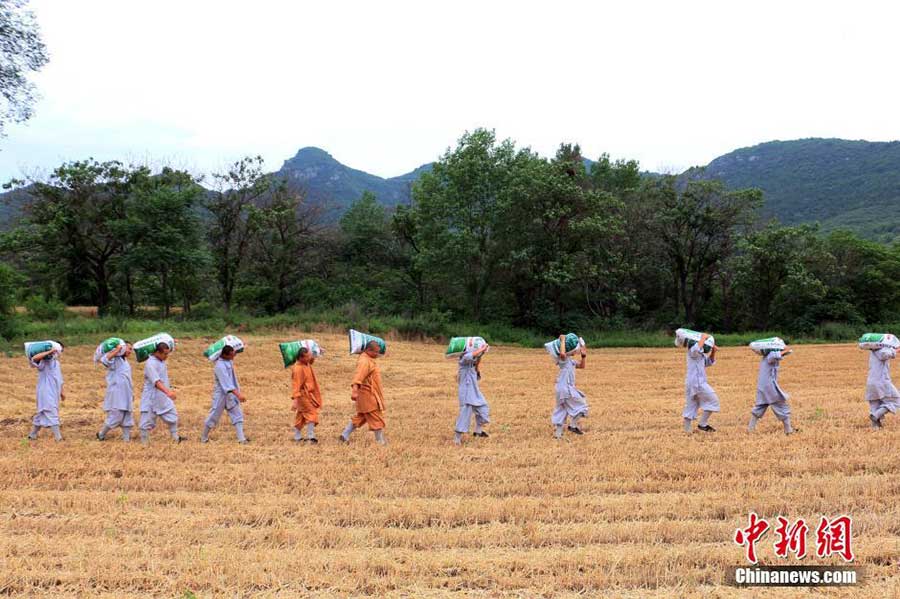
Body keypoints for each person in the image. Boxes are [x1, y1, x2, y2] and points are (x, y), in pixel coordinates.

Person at [340, 340, 387, 445]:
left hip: (368, 394)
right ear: (369, 350)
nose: (377, 354)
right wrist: (354, 390)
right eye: (375, 352)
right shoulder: (364, 361)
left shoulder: (367, 359)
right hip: (367, 395)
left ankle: (344, 435)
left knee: (362, 417)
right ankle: (381, 442)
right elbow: (358, 376)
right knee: (376, 416)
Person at [139, 341, 185, 444]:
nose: (167, 356)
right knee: (146, 423)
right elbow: (156, 381)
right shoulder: (150, 364)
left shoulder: (161, 360)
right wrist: (168, 392)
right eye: (165, 354)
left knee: (173, 417)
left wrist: (173, 341)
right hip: (151, 397)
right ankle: (144, 443)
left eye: (168, 353)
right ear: (157, 352)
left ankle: (176, 438)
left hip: (162, 397)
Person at [201, 345, 248, 444]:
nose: (234, 356)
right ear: (224, 355)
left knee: (237, 415)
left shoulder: (228, 361)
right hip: (221, 395)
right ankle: (203, 437)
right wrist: (238, 395)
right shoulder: (219, 366)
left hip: (231, 395)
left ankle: (241, 439)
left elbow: (235, 353)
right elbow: (227, 384)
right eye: (231, 354)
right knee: (213, 416)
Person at [748, 348, 796, 434]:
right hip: (769, 386)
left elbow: (779, 356)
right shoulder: (771, 355)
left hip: (763, 386)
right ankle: (788, 430)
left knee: (761, 406)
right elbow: (776, 355)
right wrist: (786, 350)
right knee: (781, 405)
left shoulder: (765, 357)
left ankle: (750, 428)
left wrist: (784, 352)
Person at [97, 342, 134, 442]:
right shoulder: (115, 359)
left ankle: (126, 440)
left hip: (126, 392)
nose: (130, 351)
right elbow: (104, 360)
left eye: (131, 349)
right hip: (116, 392)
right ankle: (101, 434)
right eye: (129, 348)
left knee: (127, 417)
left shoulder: (125, 361)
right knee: (116, 416)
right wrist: (117, 350)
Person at [552, 335, 588, 439]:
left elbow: (582, 366)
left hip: (560, 389)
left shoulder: (570, 361)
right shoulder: (563, 360)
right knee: (582, 406)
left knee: (562, 409)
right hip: (565, 389)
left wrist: (583, 356)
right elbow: (562, 353)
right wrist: (563, 340)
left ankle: (558, 435)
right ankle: (572, 425)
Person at [454, 342, 490, 445]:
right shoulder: (463, 360)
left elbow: (476, 357)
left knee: (484, 408)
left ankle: (478, 432)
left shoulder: (473, 363)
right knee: (465, 414)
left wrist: (482, 352)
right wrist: (482, 348)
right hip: (465, 392)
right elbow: (471, 355)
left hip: (474, 391)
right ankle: (457, 438)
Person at [27, 343, 65, 441]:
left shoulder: (56, 363)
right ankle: (58, 438)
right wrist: (50, 351)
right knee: (51, 411)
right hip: (45, 390)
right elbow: (34, 358)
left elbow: (59, 378)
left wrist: (62, 391)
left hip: (54, 391)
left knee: (42, 413)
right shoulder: (44, 362)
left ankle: (32, 435)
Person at [683, 334, 720, 433]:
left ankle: (687, 431)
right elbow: (696, 349)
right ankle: (702, 424)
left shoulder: (701, 354)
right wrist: (703, 338)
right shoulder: (692, 352)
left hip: (692, 382)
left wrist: (713, 351)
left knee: (691, 404)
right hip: (697, 383)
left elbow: (709, 362)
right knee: (714, 400)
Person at [292, 347, 322, 443]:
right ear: (301, 358)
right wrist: (295, 400)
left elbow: (311, 361)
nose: (310, 357)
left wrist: (317, 352)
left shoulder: (306, 363)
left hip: (309, 395)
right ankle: (311, 436)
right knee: (312, 413)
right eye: (308, 356)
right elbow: (296, 386)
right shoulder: (298, 369)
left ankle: (297, 437)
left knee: (301, 416)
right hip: (302, 396)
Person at [865, 345, 899, 429]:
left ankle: (875, 427)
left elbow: (887, 352)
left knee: (875, 403)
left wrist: (894, 349)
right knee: (896, 401)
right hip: (882, 381)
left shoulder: (873, 351)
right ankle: (876, 415)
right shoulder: (881, 351)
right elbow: (886, 354)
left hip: (871, 382)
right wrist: (897, 349)